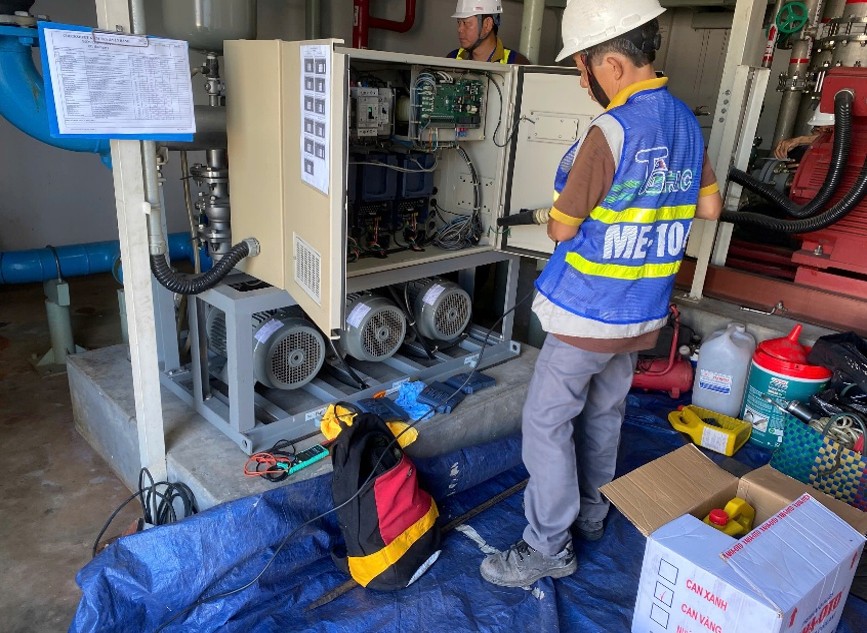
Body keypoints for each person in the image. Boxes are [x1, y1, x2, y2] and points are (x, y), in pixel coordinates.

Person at [479, 0, 723, 588]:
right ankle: (591, 512)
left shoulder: (610, 130)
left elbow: (562, 229)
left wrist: (571, 213)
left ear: (610, 64)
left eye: (581, 66)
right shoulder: (685, 122)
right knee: (606, 409)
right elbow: (710, 206)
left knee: (546, 421)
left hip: (589, 310)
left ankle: (547, 545)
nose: (581, 78)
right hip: (643, 311)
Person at [447, 0, 530, 65]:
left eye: (466, 23)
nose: (460, 29)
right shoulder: (451, 59)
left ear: (487, 24)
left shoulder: (516, 63)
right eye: (459, 22)